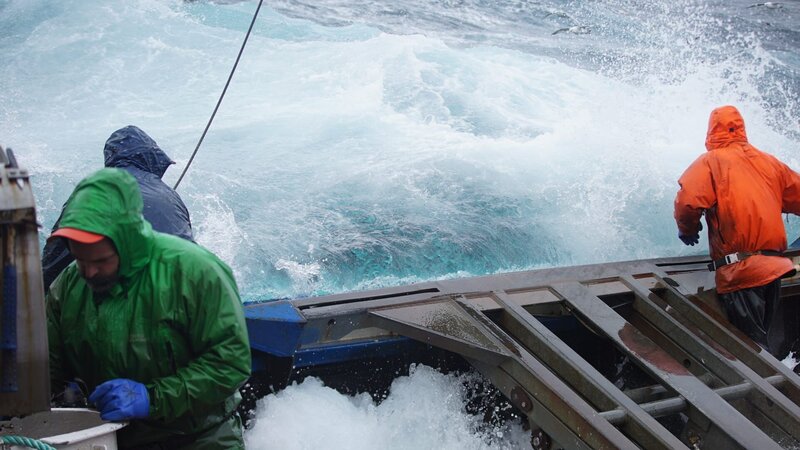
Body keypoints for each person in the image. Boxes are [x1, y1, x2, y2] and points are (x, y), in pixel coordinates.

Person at [46, 168, 251, 449]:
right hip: (112, 437)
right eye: (81, 260)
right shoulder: (68, 286)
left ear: (128, 242)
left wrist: (152, 398)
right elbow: (47, 366)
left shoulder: (197, 273)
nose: (89, 272)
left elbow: (230, 364)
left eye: (102, 261)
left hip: (201, 437)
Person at [674, 105, 800, 359]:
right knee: (761, 337)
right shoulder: (768, 162)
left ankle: (771, 394)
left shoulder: (711, 162)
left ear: (711, 132)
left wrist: (687, 229)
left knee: (750, 349)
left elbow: (688, 200)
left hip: (742, 271)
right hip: (774, 268)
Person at [41, 125, 193, 293]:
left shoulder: (92, 192)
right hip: (180, 287)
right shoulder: (170, 195)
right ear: (152, 159)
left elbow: (54, 259)